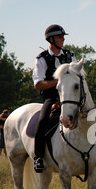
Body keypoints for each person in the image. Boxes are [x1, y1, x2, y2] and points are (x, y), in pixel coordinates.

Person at [32, 24, 77, 172]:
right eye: (59, 37)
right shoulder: (42, 59)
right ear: (51, 40)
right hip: (52, 98)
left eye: (63, 37)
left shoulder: (70, 56)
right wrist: (58, 82)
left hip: (71, 97)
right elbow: (38, 84)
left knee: (91, 114)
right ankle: (38, 157)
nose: (63, 39)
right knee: (43, 119)